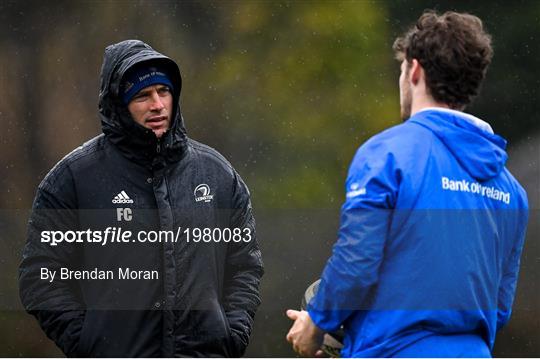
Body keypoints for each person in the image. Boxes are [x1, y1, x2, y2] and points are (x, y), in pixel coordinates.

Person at [286, 10, 528, 357]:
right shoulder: (512, 192)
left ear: (414, 70)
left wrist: (318, 321)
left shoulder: (387, 155)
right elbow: (500, 308)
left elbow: (356, 265)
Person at [19, 39, 263, 357]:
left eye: (164, 92)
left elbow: (244, 265)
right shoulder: (73, 180)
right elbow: (41, 275)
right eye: (143, 96)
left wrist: (232, 334)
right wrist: (89, 343)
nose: (158, 105)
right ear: (119, 104)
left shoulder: (217, 174)